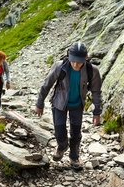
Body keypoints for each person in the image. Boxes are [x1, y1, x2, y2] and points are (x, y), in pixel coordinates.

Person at [35, 42, 102, 170]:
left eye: (79, 61)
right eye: (73, 61)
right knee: (59, 132)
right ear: (68, 55)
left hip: (77, 104)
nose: (75, 64)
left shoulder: (92, 70)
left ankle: (74, 156)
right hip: (59, 103)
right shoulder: (60, 67)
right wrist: (40, 103)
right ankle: (62, 146)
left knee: (76, 132)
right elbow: (46, 85)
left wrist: (97, 112)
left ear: (86, 57)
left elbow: (96, 92)